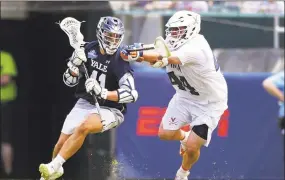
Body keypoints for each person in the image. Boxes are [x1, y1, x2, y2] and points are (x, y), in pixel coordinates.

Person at [122, 10, 228, 180]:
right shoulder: (175, 42)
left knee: (193, 147)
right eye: (172, 29)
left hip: (209, 102)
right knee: (165, 133)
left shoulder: (197, 48)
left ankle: (182, 173)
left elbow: (163, 57)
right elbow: (158, 52)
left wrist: (139, 55)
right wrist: (136, 50)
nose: (173, 34)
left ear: (191, 29)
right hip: (185, 97)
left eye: (179, 29)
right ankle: (185, 137)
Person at [38, 16, 139, 180]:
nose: (113, 40)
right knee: (60, 144)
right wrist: (74, 65)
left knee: (84, 127)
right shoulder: (86, 49)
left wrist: (103, 92)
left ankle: (53, 167)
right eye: (109, 35)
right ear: (100, 33)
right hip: (86, 102)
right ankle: (52, 173)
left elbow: (131, 94)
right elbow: (69, 81)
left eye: (116, 37)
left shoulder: (120, 59)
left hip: (111, 109)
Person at [0, 51, 18, 177]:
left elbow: (5, 79)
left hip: (5, 103)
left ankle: (7, 173)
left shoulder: (5, 57)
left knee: (6, 139)